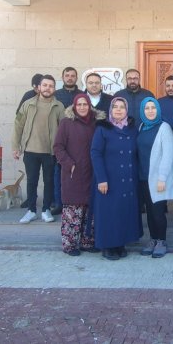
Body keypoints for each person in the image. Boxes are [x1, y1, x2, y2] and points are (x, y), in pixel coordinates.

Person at [90, 98, 142, 261]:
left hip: (128, 178)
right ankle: (107, 245)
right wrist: (101, 179)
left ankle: (120, 244)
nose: (118, 110)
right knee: (109, 213)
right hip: (109, 179)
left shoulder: (132, 129)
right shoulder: (103, 128)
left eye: (122, 107)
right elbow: (95, 153)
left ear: (127, 110)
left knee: (123, 211)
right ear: (110, 110)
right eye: (115, 107)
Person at [53, 93, 104, 255]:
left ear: (90, 106)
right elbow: (58, 147)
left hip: (92, 173)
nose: (82, 107)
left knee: (90, 210)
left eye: (85, 104)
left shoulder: (97, 123)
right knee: (73, 210)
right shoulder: (66, 123)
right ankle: (70, 244)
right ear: (74, 106)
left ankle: (87, 242)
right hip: (73, 174)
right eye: (79, 104)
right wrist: (69, 164)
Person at [12, 74, 65, 224]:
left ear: (54, 89)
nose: (48, 88)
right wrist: (16, 146)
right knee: (31, 181)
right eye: (45, 85)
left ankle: (46, 209)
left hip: (50, 152)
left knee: (49, 181)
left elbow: (64, 130)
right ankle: (31, 210)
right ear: (39, 87)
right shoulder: (27, 104)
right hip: (30, 150)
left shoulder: (59, 106)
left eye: (51, 86)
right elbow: (18, 125)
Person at [136, 97, 173, 258]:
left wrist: (162, 178)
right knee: (150, 212)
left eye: (153, 107)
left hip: (158, 178)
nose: (150, 111)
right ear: (143, 111)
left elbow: (168, 154)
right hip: (143, 176)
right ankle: (153, 239)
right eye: (147, 108)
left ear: (158, 110)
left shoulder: (164, 127)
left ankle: (161, 241)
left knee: (158, 212)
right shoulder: (142, 126)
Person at [53, 66, 82, 213]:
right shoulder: (55, 95)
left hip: (77, 140)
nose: (70, 78)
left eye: (72, 76)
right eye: (67, 75)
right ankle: (59, 203)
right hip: (60, 139)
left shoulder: (82, 95)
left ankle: (76, 203)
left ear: (76, 78)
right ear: (63, 77)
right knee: (58, 173)